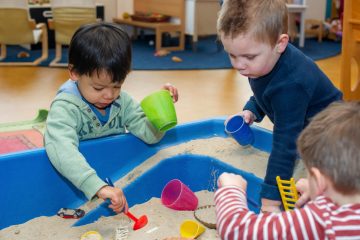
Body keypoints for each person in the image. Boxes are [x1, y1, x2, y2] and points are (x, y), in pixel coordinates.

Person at [217, 0, 342, 212]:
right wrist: (251, 110)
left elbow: (285, 145)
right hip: (302, 127)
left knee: (321, 196)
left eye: (248, 56)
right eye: (232, 55)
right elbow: (264, 90)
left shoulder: (292, 83)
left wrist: (270, 200)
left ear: (280, 43)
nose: (238, 65)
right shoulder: (261, 62)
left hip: (332, 141)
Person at [44, 22, 179, 214]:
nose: (109, 95)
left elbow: (150, 135)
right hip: (78, 182)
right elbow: (61, 149)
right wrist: (97, 186)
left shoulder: (121, 102)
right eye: (98, 88)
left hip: (113, 172)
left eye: (117, 86)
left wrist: (160, 111)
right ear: (74, 73)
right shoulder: (65, 108)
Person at [215, 101, 360, 239]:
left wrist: (231, 190)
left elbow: (237, 231)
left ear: (318, 178)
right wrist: (319, 190)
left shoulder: (320, 222)